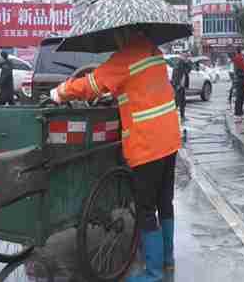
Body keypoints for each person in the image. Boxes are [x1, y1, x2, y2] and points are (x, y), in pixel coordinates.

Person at [50, 31, 180, 282]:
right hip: (169, 138)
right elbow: (142, 88)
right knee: (165, 201)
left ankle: (153, 274)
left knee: (145, 208)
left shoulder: (125, 57)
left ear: (122, 33)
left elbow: (93, 85)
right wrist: (120, 91)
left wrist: (61, 92)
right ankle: (167, 261)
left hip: (147, 143)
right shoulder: (154, 51)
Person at [232, 47, 244, 122]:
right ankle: (237, 115)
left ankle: (240, 113)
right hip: (240, 81)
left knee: (242, 97)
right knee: (239, 98)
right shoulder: (237, 60)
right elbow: (238, 71)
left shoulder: (243, 59)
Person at [171, 54, 190, 122]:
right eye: (186, 57)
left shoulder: (182, 64)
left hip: (181, 86)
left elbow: (188, 70)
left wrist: (187, 63)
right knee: (177, 102)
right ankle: (172, 117)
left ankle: (182, 117)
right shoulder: (179, 64)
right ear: (182, 57)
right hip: (178, 86)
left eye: (187, 57)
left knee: (182, 102)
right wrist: (177, 85)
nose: (187, 58)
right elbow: (176, 74)